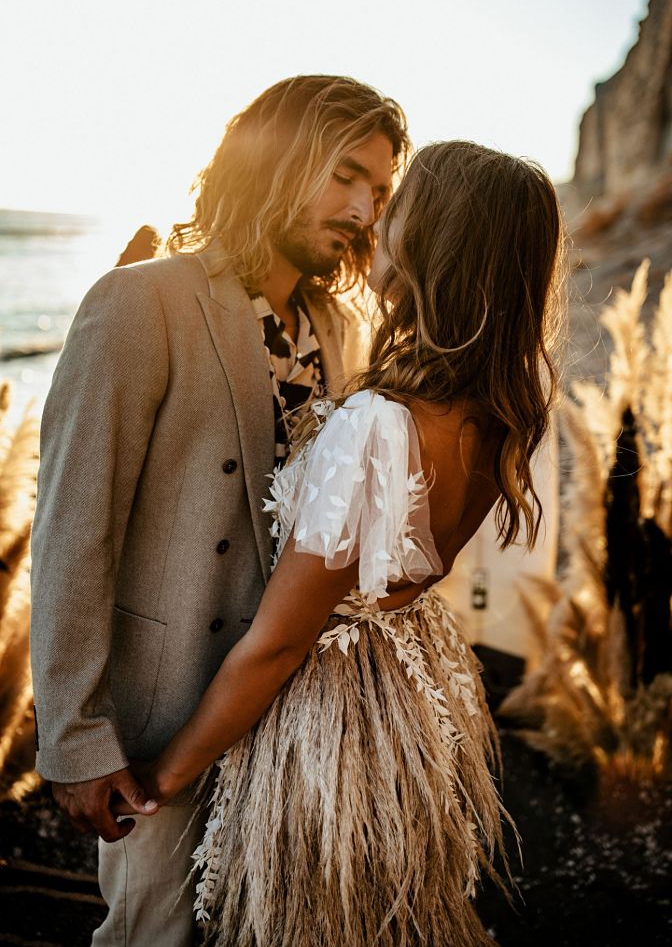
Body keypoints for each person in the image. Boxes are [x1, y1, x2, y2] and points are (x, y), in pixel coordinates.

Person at [125, 140, 565, 946]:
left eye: (396, 206)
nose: (374, 219)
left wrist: (163, 778)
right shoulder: (496, 410)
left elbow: (278, 643)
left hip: (328, 714)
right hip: (406, 691)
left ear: (433, 242)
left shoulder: (379, 424)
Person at [29, 75, 409, 946]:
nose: (362, 208)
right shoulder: (139, 302)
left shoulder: (341, 331)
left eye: (379, 192)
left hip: (288, 714)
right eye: (343, 175)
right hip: (159, 718)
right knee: (155, 933)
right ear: (273, 165)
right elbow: (73, 531)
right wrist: (77, 736)